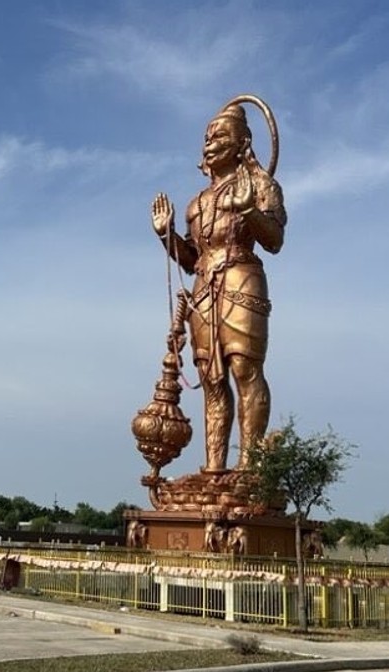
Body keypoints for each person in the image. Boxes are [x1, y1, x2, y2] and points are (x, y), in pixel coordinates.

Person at [151, 100, 287, 474]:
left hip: (242, 277)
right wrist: (166, 236)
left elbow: (274, 239)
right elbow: (193, 258)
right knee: (211, 379)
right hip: (203, 289)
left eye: (220, 136)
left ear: (243, 142)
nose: (210, 143)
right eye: (207, 137)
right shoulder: (199, 202)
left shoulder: (260, 185)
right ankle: (214, 469)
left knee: (245, 370)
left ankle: (249, 467)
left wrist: (249, 211)